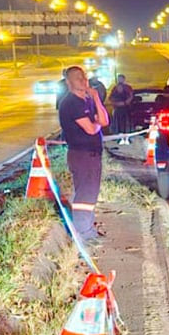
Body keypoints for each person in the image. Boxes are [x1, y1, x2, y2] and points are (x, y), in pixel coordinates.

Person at [58, 65, 110, 244]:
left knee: (91, 193)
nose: (83, 80)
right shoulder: (71, 103)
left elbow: (104, 120)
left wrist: (96, 98)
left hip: (92, 154)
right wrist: (96, 125)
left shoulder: (87, 100)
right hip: (82, 155)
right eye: (78, 77)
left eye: (84, 76)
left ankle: (87, 229)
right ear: (69, 82)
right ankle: (83, 233)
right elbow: (91, 128)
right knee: (85, 195)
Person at [108, 74, 135, 140]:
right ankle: (118, 137)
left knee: (126, 123)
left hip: (126, 109)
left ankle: (127, 137)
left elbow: (131, 96)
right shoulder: (114, 88)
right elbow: (111, 98)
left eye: (121, 78)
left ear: (124, 79)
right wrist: (116, 103)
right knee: (118, 123)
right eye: (118, 78)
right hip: (117, 109)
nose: (119, 80)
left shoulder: (128, 87)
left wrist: (125, 103)